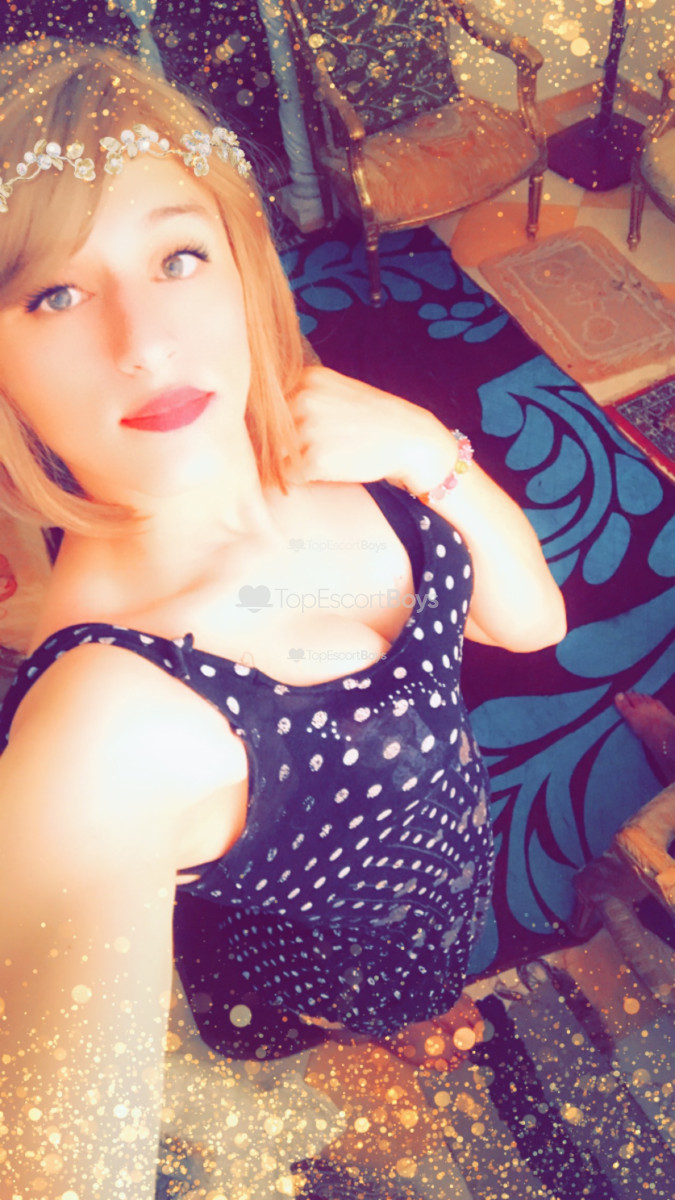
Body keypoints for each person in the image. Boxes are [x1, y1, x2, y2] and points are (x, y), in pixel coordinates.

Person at [0, 38, 566, 1199]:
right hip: (316, 970)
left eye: (177, 255)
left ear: (242, 262)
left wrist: (426, 452)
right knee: (369, 1020)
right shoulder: (100, 732)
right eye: (55, 293)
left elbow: (534, 623)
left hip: (448, 877)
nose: (146, 342)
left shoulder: (329, 435)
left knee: (436, 970)